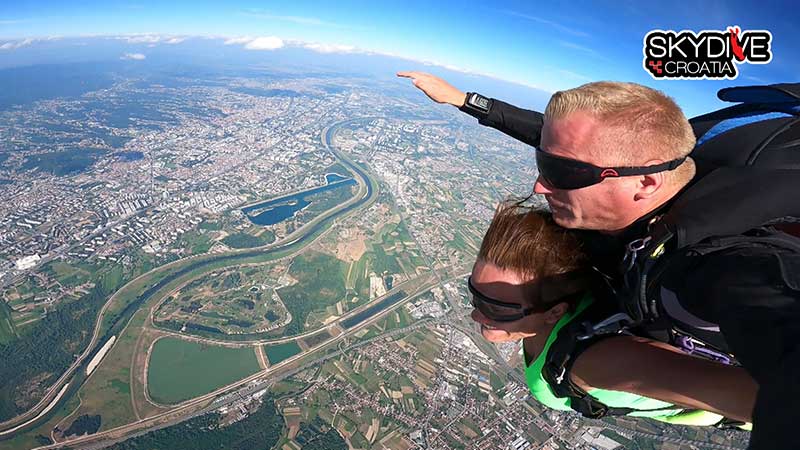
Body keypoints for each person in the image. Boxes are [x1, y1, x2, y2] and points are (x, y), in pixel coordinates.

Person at [398, 71, 800, 449]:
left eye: (560, 172)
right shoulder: (652, 162)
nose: (540, 185)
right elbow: (560, 144)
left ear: (646, 182)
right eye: (544, 164)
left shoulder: (717, 264)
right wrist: (467, 101)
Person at [470, 200, 756, 427]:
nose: (477, 315)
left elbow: (751, 397)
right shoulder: (546, 320)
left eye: (496, 309)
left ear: (555, 312)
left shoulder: (594, 361)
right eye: (475, 295)